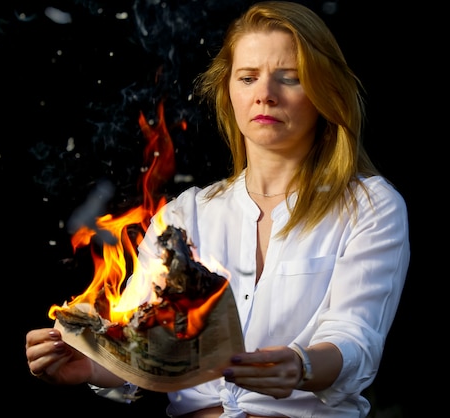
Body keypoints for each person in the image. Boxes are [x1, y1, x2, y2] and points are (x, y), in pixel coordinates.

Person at [25, 1, 411, 417]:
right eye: (248, 78)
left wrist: (302, 365)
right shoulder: (184, 216)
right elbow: (146, 347)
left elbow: (355, 338)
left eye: (290, 78)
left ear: (323, 91)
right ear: (229, 90)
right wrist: (93, 365)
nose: (265, 94)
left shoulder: (369, 206)